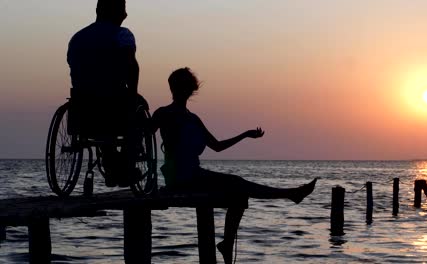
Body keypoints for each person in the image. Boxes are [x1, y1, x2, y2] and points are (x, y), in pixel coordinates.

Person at [151, 67, 318, 264]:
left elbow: (217, 147)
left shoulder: (193, 118)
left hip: (195, 175)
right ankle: (290, 194)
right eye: (182, 87)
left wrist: (245, 135)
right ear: (175, 88)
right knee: (237, 183)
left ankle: (227, 243)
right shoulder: (164, 113)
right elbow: (143, 133)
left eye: (187, 87)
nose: (185, 91)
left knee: (239, 193)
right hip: (179, 179)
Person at [67, 0, 146, 187]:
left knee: (101, 121)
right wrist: (133, 93)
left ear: (97, 11)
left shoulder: (77, 38)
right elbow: (131, 66)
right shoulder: (122, 34)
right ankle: (124, 166)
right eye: (123, 11)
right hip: (113, 102)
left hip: (82, 106)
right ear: (120, 14)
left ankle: (111, 163)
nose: (125, 16)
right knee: (138, 114)